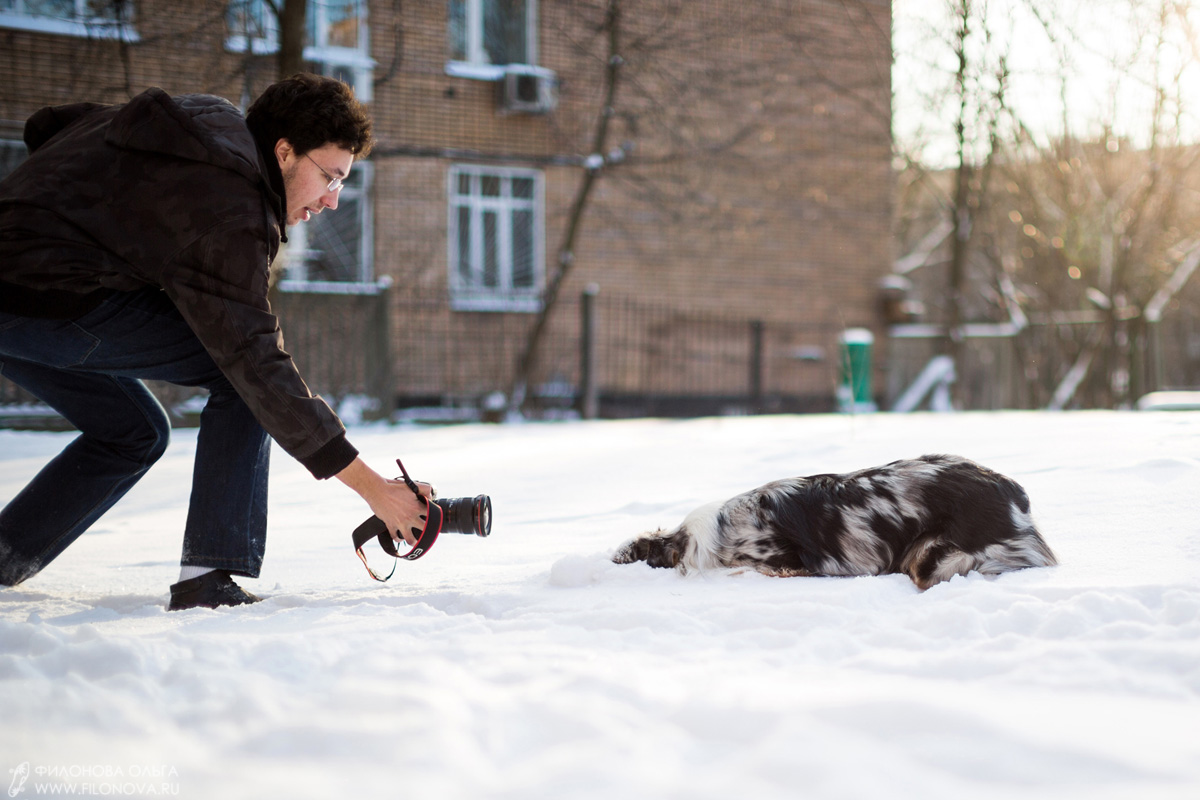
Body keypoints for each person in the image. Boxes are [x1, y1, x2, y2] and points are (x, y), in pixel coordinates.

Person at [0, 74, 432, 609]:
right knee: (244, 376)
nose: (332, 200)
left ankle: (4, 556)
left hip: (28, 295)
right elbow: (255, 361)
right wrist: (373, 488)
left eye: (342, 183)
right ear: (284, 151)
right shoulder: (230, 201)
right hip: (39, 299)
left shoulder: (205, 125)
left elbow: (55, 127)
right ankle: (208, 577)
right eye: (330, 177)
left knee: (134, 432)